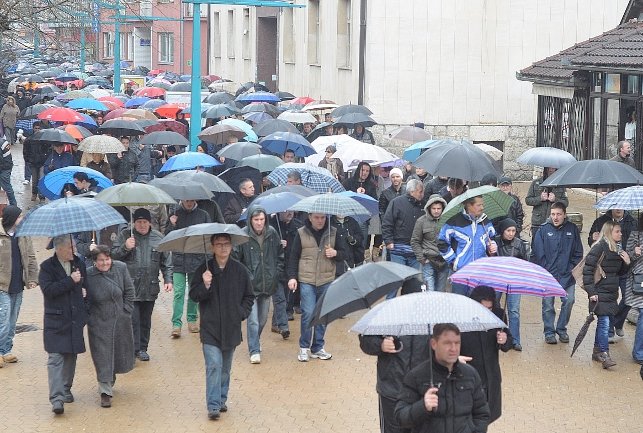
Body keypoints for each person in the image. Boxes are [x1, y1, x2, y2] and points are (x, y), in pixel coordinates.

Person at [189, 233, 254, 420]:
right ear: (212, 247)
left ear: (231, 246)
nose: (223, 248)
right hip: (210, 327)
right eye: (219, 244)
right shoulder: (204, 269)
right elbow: (194, 295)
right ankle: (213, 405)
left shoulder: (240, 271)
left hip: (231, 327)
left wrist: (240, 313)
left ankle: (222, 398)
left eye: (226, 244)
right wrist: (205, 284)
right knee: (214, 365)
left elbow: (249, 296)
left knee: (225, 368)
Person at [395, 323, 490, 433]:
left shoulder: (470, 374)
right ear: (434, 344)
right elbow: (400, 417)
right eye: (447, 343)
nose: (453, 348)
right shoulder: (416, 376)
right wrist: (422, 407)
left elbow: (482, 414)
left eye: (457, 343)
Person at [111, 208, 173, 361]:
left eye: (144, 222)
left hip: (150, 287)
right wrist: (125, 247)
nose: (142, 225)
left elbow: (166, 262)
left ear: (150, 222)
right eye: (139, 222)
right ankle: (134, 348)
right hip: (130, 287)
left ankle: (143, 348)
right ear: (134, 223)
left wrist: (168, 279)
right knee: (133, 319)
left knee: (145, 320)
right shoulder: (125, 235)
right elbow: (113, 257)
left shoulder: (158, 238)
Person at [287, 213, 349, 362]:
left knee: (322, 314)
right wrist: (292, 277)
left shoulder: (333, 232)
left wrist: (335, 253)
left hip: (326, 279)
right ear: (310, 217)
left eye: (322, 217)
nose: (320, 220)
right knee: (308, 313)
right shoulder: (301, 232)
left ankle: (317, 347)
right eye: (316, 217)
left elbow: (344, 253)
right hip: (307, 279)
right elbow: (293, 256)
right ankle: (304, 347)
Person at [39, 236, 88, 415]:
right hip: (55, 320)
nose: (73, 250)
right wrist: (70, 281)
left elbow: (86, 286)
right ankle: (57, 399)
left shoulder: (79, 263)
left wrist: (84, 296)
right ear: (59, 249)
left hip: (75, 319)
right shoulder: (47, 267)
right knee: (55, 358)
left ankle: (66, 389)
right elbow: (48, 291)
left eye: (73, 246)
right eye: (70, 247)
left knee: (70, 356)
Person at [86, 246, 135, 408]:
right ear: (94, 262)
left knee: (116, 353)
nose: (105, 263)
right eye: (101, 260)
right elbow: (85, 301)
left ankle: (109, 380)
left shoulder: (121, 268)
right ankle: (105, 391)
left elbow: (129, 291)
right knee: (102, 356)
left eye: (107, 259)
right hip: (98, 322)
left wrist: (126, 311)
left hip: (120, 321)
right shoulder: (88, 275)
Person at [234, 206, 285, 363]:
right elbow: (236, 258)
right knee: (253, 320)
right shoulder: (242, 235)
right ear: (250, 220)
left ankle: (255, 339)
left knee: (262, 319)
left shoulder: (272, 233)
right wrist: (244, 278)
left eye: (262, 219)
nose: (259, 223)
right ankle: (254, 350)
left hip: (267, 283)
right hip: (249, 286)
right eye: (256, 220)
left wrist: (276, 273)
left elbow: (279, 255)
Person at [460, 286, 512, 424]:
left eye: (489, 308)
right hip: (467, 380)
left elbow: (507, 345)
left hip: (490, 380)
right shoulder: (460, 318)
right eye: (483, 308)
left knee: (484, 420)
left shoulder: (499, 315)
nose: (486, 312)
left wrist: (505, 339)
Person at [532, 202, 583, 344]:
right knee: (548, 305)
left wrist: (571, 268)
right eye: (553, 214)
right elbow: (537, 252)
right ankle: (549, 332)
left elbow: (578, 252)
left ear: (565, 215)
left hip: (567, 275)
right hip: (548, 275)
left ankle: (561, 329)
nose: (555, 217)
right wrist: (544, 270)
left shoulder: (572, 229)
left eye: (559, 214)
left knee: (570, 300)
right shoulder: (542, 230)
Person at [359, 332, 431, 433]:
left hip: (424, 393)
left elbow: (448, 340)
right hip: (392, 391)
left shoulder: (433, 317)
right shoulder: (385, 316)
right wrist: (381, 345)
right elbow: (365, 340)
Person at [583, 221, 630, 369]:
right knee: (604, 323)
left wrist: (627, 262)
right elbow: (588, 271)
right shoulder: (599, 247)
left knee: (606, 322)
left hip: (611, 292)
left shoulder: (617, 249)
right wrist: (591, 292)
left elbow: (620, 273)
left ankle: (597, 351)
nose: (620, 234)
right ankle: (604, 353)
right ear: (609, 232)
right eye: (617, 231)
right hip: (599, 292)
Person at [588, 208, 636, 340]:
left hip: (625, 267)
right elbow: (592, 244)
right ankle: (608, 332)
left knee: (629, 299)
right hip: (607, 270)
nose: (619, 209)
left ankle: (617, 322)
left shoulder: (633, 222)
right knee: (609, 300)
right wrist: (593, 238)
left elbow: (636, 243)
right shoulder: (601, 221)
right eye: (616, 206)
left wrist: (631, 256)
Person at [166, 200, 211, 338]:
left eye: (192, 200)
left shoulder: (203, 215)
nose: (189, 203)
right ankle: (176, 324)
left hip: (197, 259)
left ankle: (192, 320)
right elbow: (167, 236)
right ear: (182, 200)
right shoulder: (175, 214)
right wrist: (171, 224)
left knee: (193, 291)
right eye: (187, 200)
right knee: (179, 292)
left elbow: (209, 236)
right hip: (179, 259)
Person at [0, 206, 38, 367]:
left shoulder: (24, 235)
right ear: (12, 218)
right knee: (3, 319)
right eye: (19, 216)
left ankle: (6, 350)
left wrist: (32, 277)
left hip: (18, 284)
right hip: (2, 285)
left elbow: (30, 257)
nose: (22, 219)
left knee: (12, 320)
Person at [439, 195, 497, 295]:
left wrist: (492, 248)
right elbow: (442, 242)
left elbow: (492, 238)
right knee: (460, 305)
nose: (482, 207)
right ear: (469, 205)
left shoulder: (485, 221)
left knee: (478, 305)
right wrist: (454, 262)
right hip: (461, 273)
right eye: (479, 205)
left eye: (482, 204)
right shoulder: (454, 222)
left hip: (481, 272)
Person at [382, 179, 425, 297]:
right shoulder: (396, 202)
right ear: (412, 191)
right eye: (420, 191)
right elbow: (387, 223)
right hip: (398, 250)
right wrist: (388, 241)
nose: (422, 194)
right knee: (395, 281)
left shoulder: (423, 205)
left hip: (415, 251)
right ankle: (388, 306)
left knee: (414, 283)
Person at [494, 218, 528, 351]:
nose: (511, 233)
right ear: (503, 231)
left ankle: (515, 339)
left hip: (514, 280)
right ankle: (495, 336)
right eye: (508, 230)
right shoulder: (494, 242)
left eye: (513, 230)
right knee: (495, 308)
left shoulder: (519, 244)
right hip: (497, 279)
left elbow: (525, 262)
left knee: (514, 310)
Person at [411, 194, 448, 291]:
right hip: (428, 261)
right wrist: (422, 259)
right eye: (434, 208)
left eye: (439, 208)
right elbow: (415, 241)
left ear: (442, 208)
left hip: (444, 261)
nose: (436, 211)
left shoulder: (448, 221)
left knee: (440, 292)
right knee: (429, 292)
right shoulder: (421, 221)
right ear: (429, 208)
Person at [525, 167, 568, 238]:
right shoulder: (535, 183)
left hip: (554, 222)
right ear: (545, 169)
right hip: (538, 223)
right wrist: (540, 198)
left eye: (553, 168)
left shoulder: (561, 186)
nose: (551, 170)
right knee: (536, 246)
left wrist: (555, 199)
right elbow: (528, 200)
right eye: (549, 168)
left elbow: (566, 203)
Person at [625, 216, 643, 366]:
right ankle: (638, 353)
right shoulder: (635, 235)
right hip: (640, 280)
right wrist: (635, 252)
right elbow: (627, 257)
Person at [23, 121, 50, 200]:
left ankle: (41, 195)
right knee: (34, 180)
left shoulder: (44, 139)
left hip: (42, 162)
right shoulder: (29, 139)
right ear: (33, 129)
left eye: (39, 128)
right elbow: (25, 151)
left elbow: (48, 150)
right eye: (36, 128)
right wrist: (28, 160)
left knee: (41, 179)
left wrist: (46, 159)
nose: (37, 130)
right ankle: (34, 193)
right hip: (33, 163)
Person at [0, 140, 16, 206]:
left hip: (4, 168)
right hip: (6, 166)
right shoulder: (3, 141)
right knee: (7, 187)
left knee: (7, 187)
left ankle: (13, 205)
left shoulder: (2, 143)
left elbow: (2, 159)